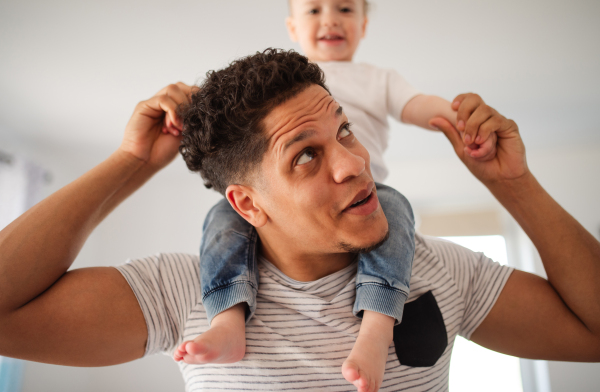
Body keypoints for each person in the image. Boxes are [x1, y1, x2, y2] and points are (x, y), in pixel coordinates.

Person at [0, 50, 598, 392]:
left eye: (344, 131)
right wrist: (130, 163)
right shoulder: (183, 292)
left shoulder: (434, 268)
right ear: (247, 205)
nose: (355, 164)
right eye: (306, 155)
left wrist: (512, 185)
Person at [176, 2, 498, 390]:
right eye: (314, 10)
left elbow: (417, 105)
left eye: (345, 8)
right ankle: (227, 318)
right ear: (293, 28)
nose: (330, 18)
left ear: (363, 26)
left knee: (397, 213)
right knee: (219, 221)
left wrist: (458, 117)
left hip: (375, 195)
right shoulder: (277, 92)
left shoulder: (378, 79)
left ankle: (377, 329)